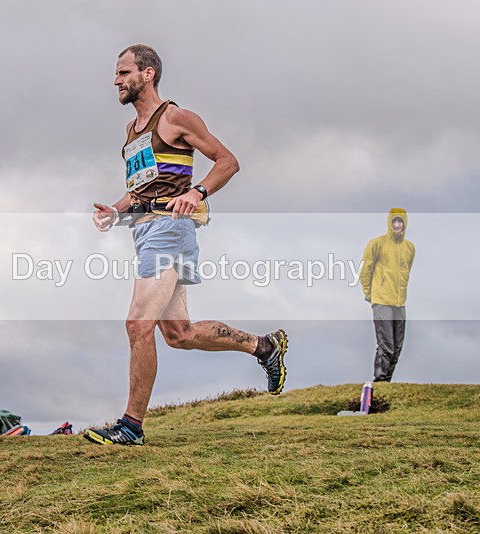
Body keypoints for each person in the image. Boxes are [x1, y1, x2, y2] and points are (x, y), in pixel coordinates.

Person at [85, 44, 288, 446]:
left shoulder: (175, 118)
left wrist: (197, 192)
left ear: (148, 74)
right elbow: (142, 188)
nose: (116, 80)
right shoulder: (132, 131)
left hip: (170, 229)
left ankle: (131, 427)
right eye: (117, 73)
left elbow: (228, 161)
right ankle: (264, 347)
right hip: (145, 230)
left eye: (124, 72)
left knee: (137, 324)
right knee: (179, 333)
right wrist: (116, 209)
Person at [359, 208, 416, 382]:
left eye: (400, 222)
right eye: (394, 221)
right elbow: (364, 270)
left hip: (400, 302)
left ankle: (387, 382)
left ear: (405, 223)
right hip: (381, 300)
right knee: (386, 344)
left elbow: (406, 272)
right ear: (389, 223)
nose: (397, 225)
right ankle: (380, 380)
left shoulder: (409, 248)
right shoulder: (377, 243)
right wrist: (370, 294)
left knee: (397, 346)